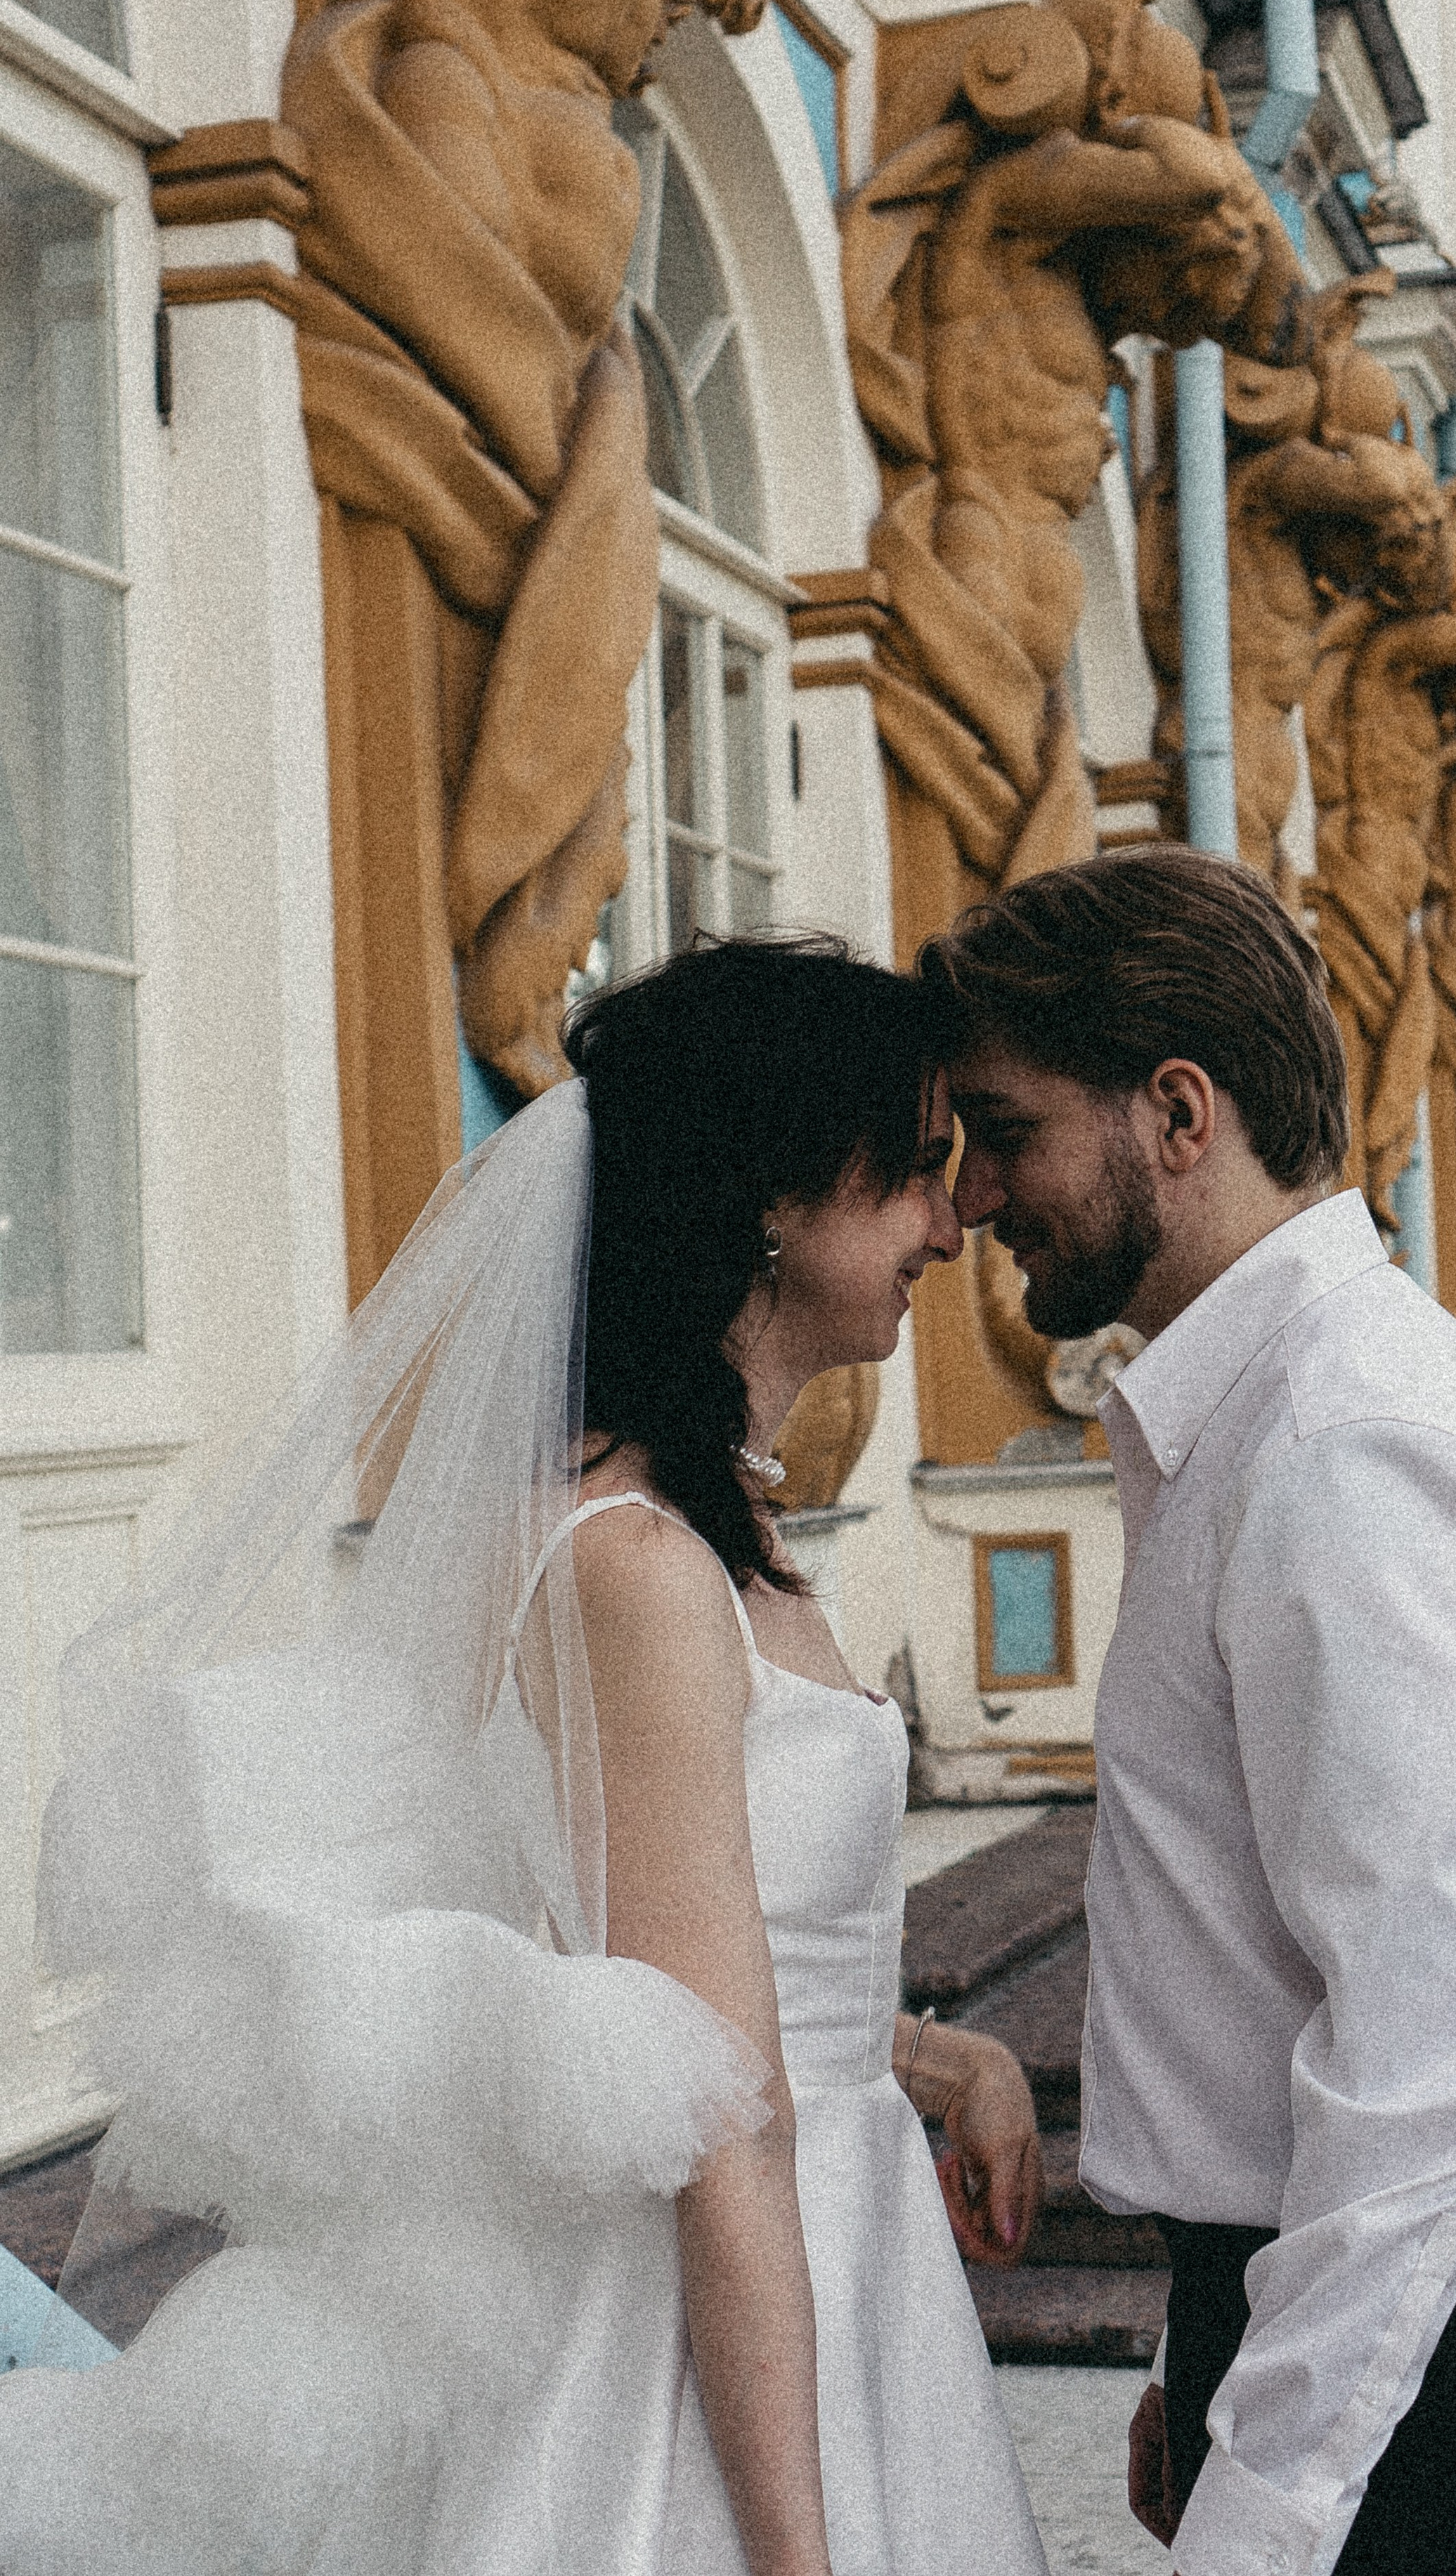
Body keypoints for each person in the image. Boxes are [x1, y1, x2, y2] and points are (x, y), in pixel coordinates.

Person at [0, 935, 1051, 2576]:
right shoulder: (634, 1562)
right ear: (774, 1199)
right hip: (706, 2320)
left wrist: (934, 2060)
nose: (948, 1216)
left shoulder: (702, 1528)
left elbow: (654, 1937)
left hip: (829, 2241)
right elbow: (718, 2105)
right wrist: (795, 2548)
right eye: (912, 1170)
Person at [918, 847, 1456, 2576]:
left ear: (1176, 1111)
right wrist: (1214, 2353)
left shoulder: (1342, 1447)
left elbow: (1429, 2045)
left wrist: (1267, 2501)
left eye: (1004, 1129)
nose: (972, 1194)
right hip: (1387, 2320)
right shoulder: (1272, 1411)